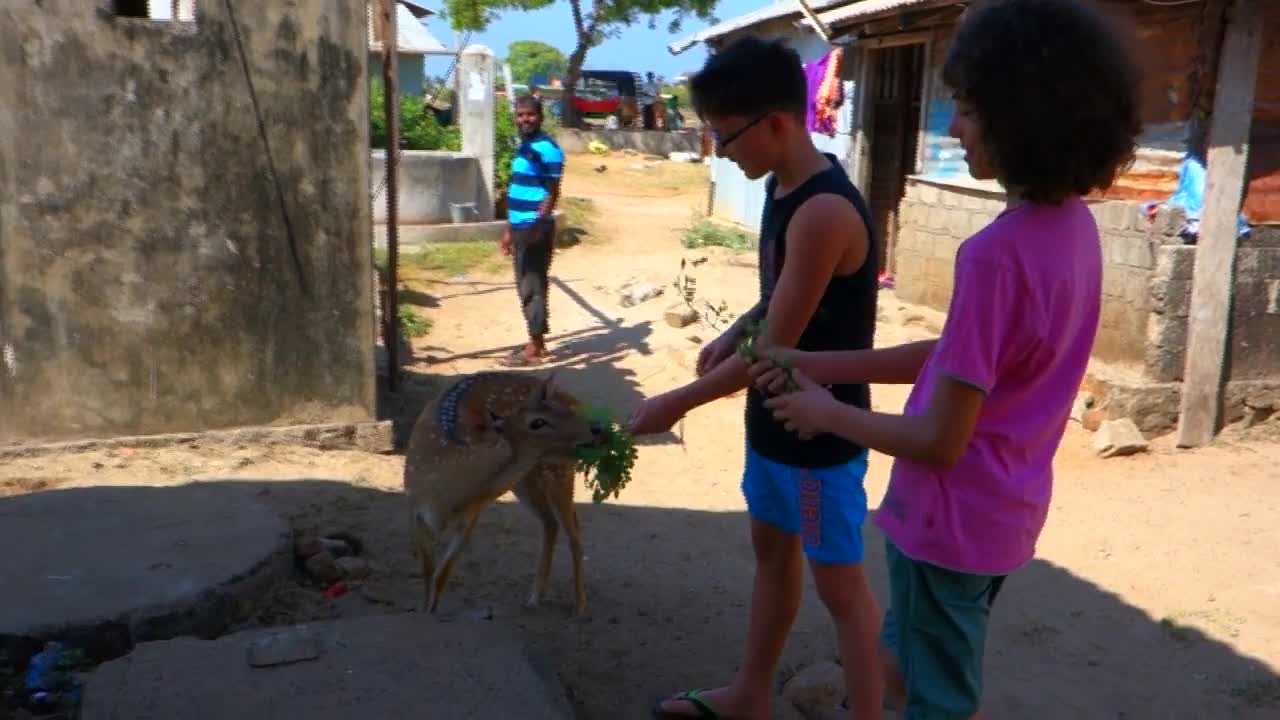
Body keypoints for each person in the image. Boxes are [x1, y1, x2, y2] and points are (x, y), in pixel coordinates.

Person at [749, 1, 1143, 716]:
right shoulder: (1070, 232)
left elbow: (938, 440)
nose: (953, 128)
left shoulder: (994, 255)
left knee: (941, 701)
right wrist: (825, 366)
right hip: (1001, 515)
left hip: (945, 526)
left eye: (966, 109)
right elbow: (960, 356)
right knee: (905, 660)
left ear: (1023, 117)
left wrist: (824, 412)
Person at [628, 36, 882, 720]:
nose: (721, 151)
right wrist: (728, 330)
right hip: (774, 422)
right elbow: (779, 300)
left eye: (725, 135)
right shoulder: (783, 186)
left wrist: (676, 403)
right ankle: (750, 694)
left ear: (774, 122)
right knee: (772, 556)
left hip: (817, 439)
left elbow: (776, 346)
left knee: (840, 587)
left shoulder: (826, 210)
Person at [501, 95, 564, 367]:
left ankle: (535, 346)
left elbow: (552, 192)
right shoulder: (524, 146)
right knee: (526, 284)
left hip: (533, 228)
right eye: (520, 115)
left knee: (532, 285)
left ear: (540, 116)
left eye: (530, 115)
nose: (524, 119)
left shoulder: (548, 149)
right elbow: (518, 188)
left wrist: (537, 226)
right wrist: (508, 230)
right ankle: (536, 339)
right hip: (519, 226)